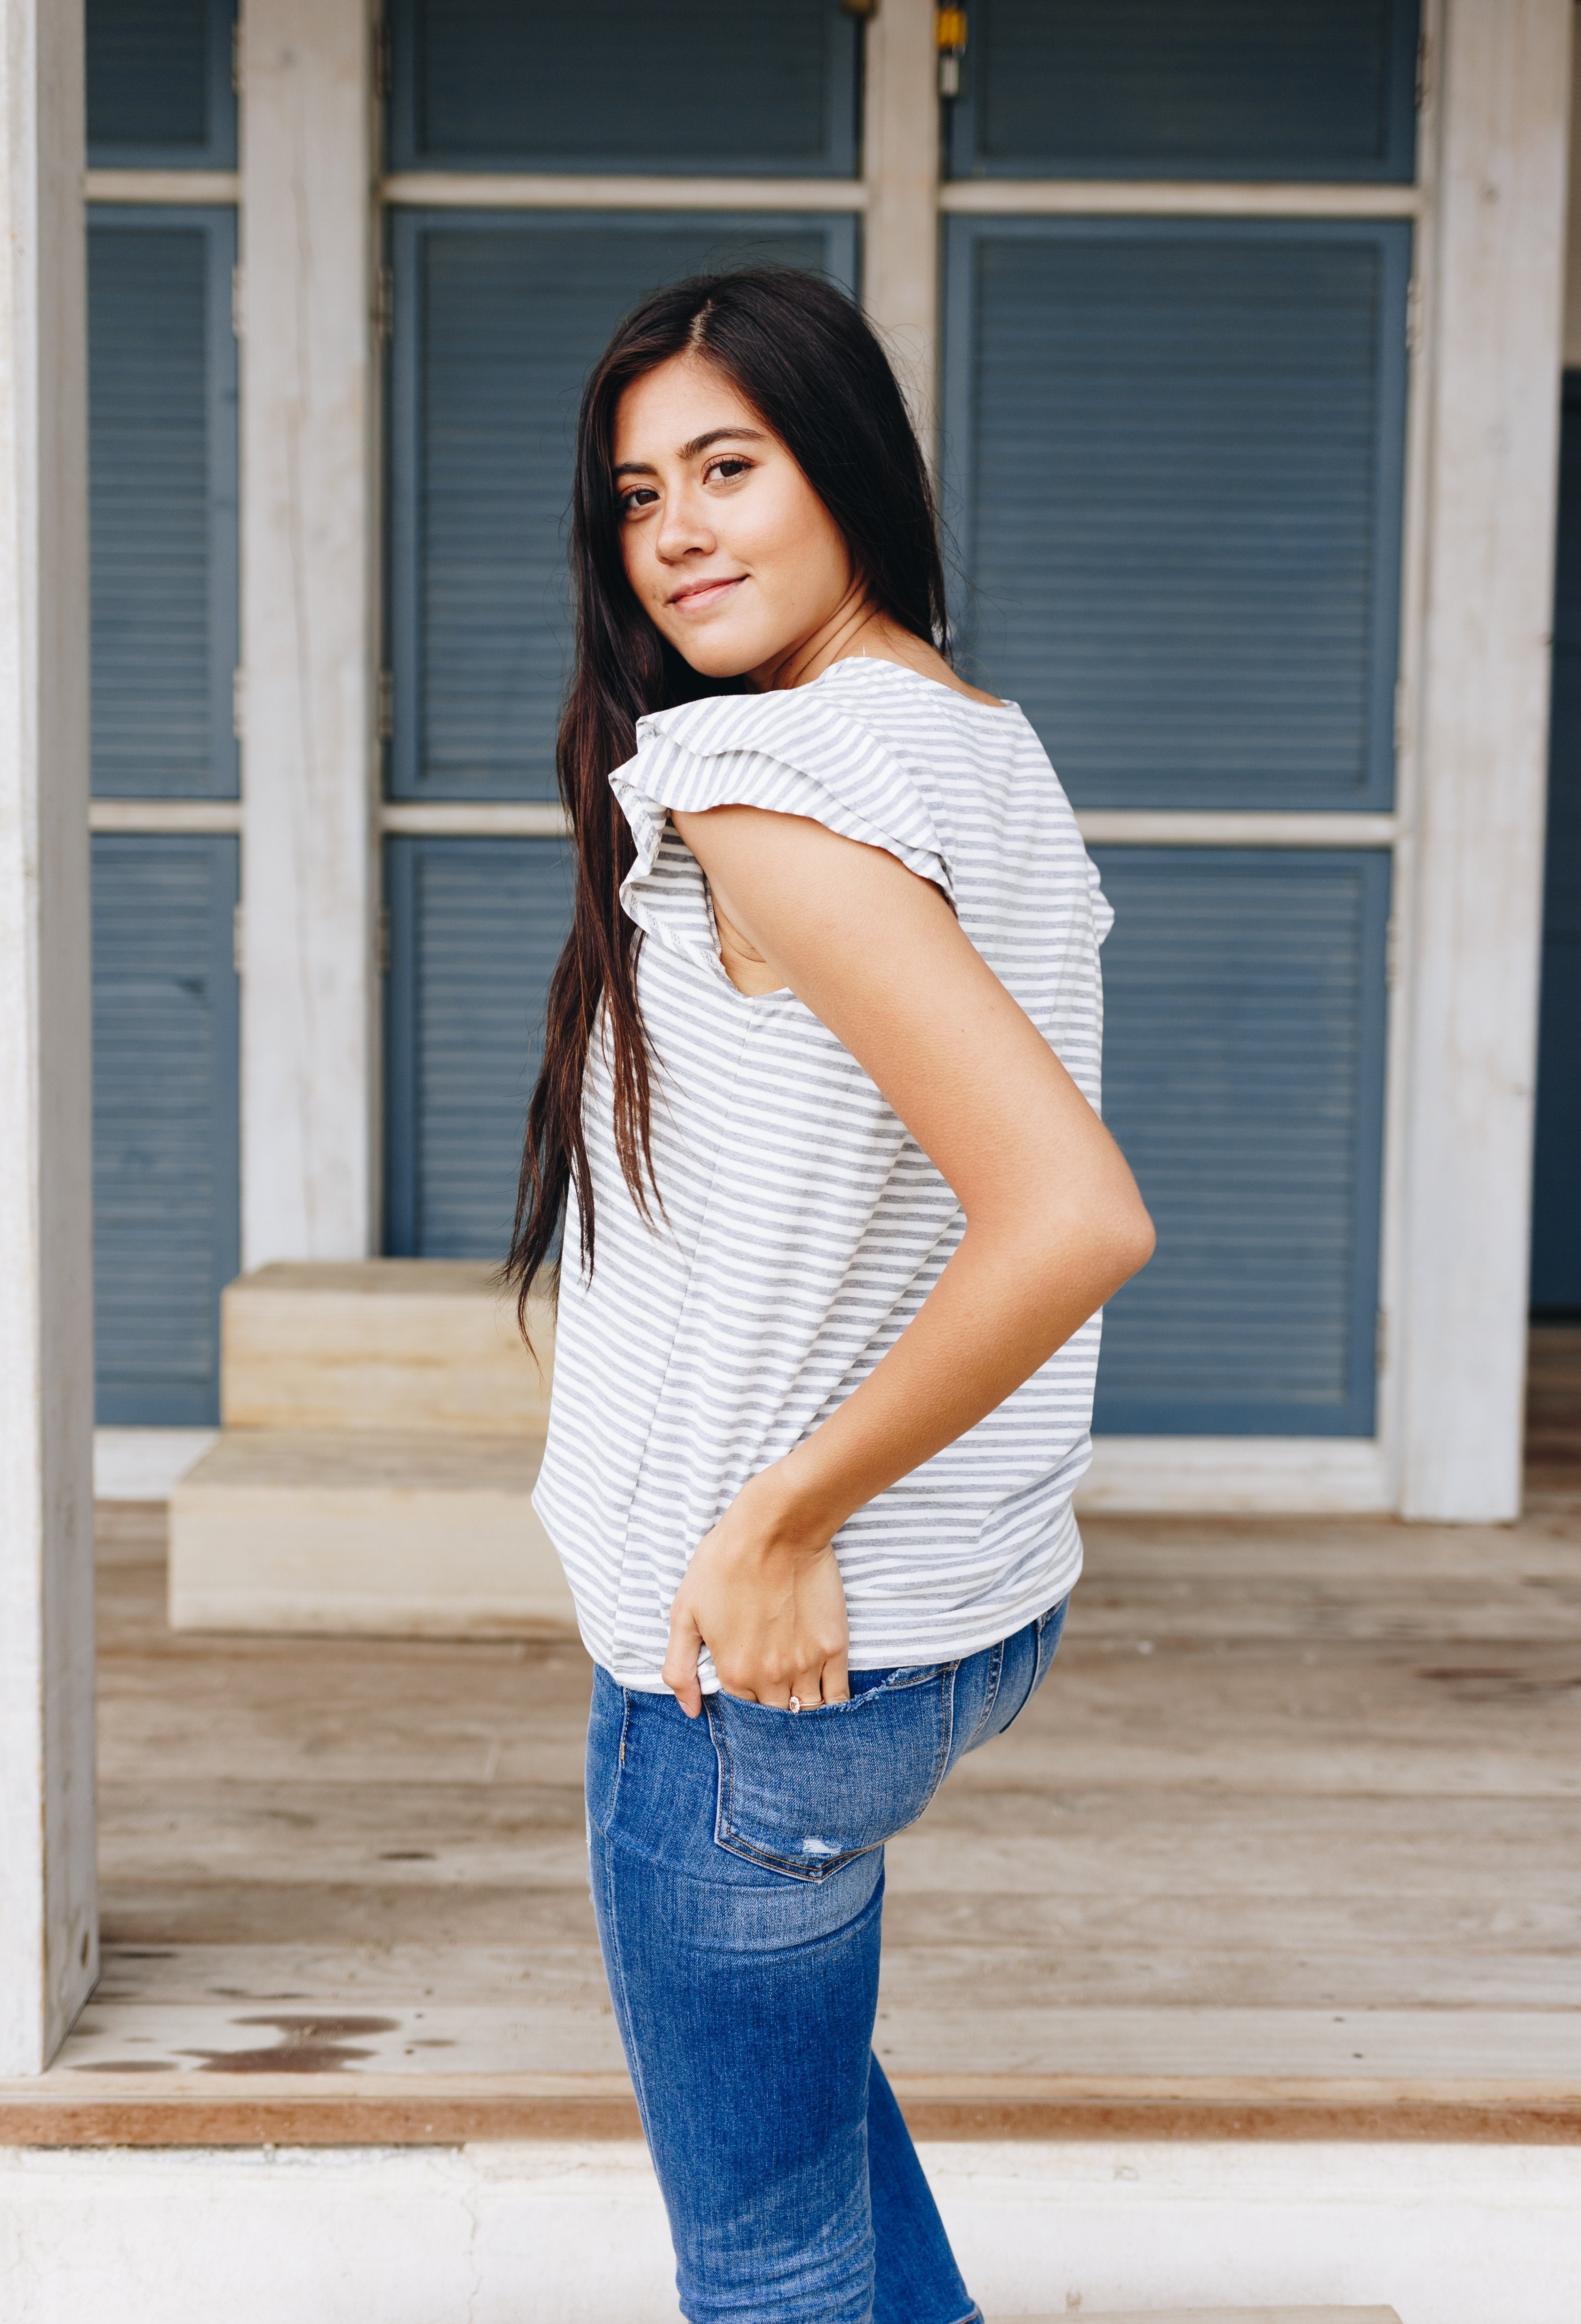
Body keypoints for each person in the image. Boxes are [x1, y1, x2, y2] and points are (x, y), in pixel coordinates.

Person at [507, 267, 1154, 2324]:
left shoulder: (765, 780)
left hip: (759, 1663)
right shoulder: (965, 738)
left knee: (768, 2264)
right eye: (635, 493)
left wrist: (777, 1514)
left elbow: (1068, 1214)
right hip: (943, 1612)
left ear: (844, 464)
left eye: (729, 465)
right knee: (816, 2171)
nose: (677, 530)